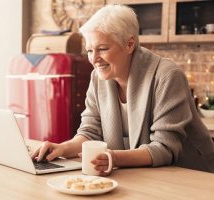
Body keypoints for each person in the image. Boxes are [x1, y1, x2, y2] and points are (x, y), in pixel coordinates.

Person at [31, 4, 214, 174]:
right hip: (148, 175)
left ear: (129, 44)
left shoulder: (167, 76)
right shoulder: (98, 77)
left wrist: (113, 157)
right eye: (89, 50)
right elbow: (90, 132)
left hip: (192, 175)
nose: (94, 59)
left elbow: (164, 148)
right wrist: (61, 148)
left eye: (102, 48)